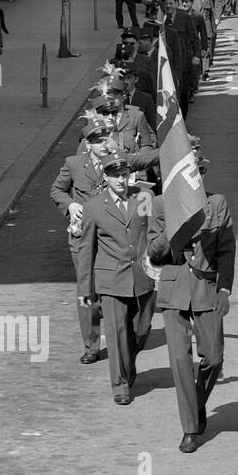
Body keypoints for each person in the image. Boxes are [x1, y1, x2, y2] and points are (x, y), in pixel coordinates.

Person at [147, 139, 235, 453]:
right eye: (186, 175)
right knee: (180, 361)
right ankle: (190, 428)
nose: (192, 180)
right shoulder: (160, 206)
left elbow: (226, 248)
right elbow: (154, 254)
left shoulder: (217, 203)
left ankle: (196, 403)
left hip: (207, 289)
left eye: (197, 173)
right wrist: (173, 229)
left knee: (213, 357)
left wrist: (225, 288)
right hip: (174, 291)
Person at [76, 157, 153, 406]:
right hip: (111, 280)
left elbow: (154, 232)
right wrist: (85, 288)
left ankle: (128, 366)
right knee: (117, 331)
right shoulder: (94, 206)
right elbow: (87, 248)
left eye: (124, 174)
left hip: (142, 276)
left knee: (141, 331)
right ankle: (119, 384)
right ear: (106, 178)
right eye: (115, 175)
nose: (121, 180)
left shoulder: (142, 197)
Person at [51, 120, 116, 363]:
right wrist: (71, 205)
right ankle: (91, 344)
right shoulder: (74, 164)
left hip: (111, 236)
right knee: (86, 290)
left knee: (113, 286)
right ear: (88, 145)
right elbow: (56, 190)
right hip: (83, 238)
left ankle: (120, 333)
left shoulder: (118, 162)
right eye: (98, 141)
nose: (103, 144)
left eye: (106, 138)